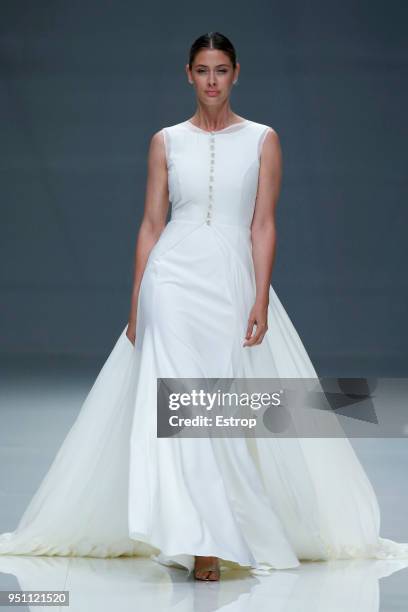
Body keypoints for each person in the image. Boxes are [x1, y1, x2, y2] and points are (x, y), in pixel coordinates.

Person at [0, 31, 407, 583]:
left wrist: (261, 294)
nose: (211, 80)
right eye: (202, 70)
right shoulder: (165, 141)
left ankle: (210, 527)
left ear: (236, 73)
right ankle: (201, 541)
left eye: (220, 70)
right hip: (171, 279)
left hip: (231, 281)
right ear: (187, 75)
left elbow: (263, 224)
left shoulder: (264, 139)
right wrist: (137, 297)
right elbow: (151, 223)